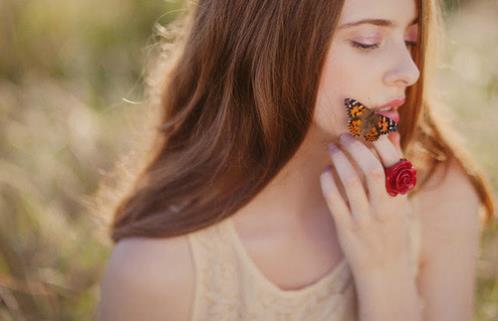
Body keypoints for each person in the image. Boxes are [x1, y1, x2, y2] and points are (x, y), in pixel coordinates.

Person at [95, 0, 496, 320]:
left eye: (410, 40)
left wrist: (387, 273)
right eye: (368, 41)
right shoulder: (156, 270)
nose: (409, 71)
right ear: (266, 44)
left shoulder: (440, 195)